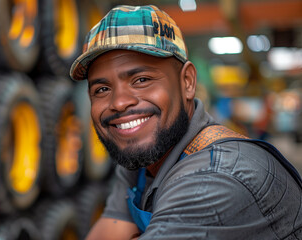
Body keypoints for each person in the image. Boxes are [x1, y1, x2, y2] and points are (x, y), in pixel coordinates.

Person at [69, 5, 302, 240]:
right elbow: (110, 230)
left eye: (141, 79)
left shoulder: (214, 181)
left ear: (187, 82)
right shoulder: (142, 157)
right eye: (102, 89)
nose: (119, 103)